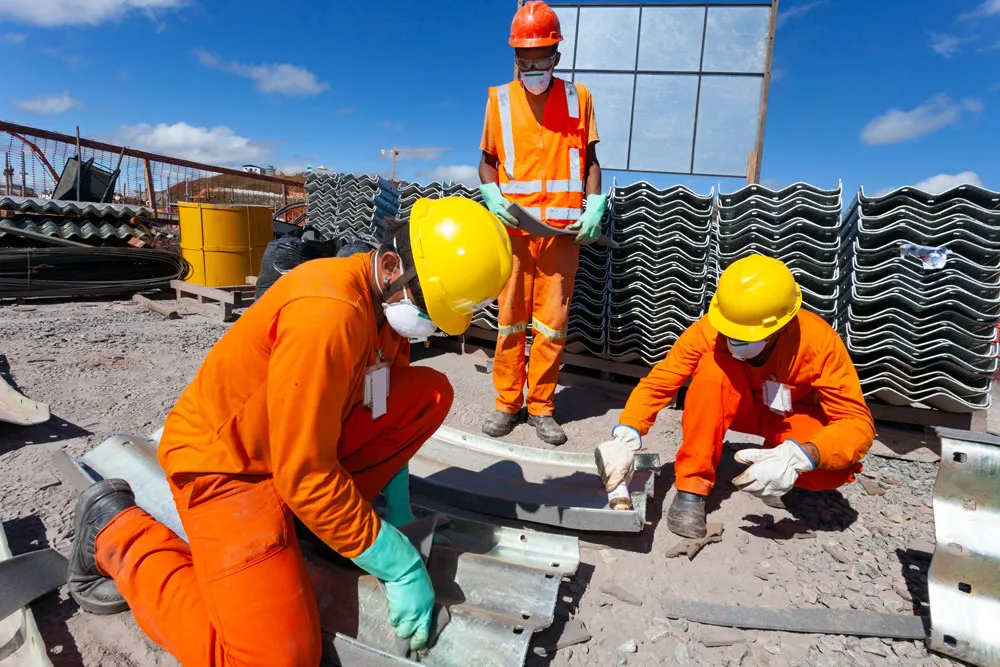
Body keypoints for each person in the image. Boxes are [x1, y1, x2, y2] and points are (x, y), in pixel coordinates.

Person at [66, 198, 514, 666]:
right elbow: (304, 473)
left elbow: (379, 409)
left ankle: (322, 525)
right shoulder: (329, 312)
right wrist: (397, 564)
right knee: (277, 657)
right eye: (426, 306)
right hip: (227, 467)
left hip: (294, 447)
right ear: (388, 264)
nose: (425, 324)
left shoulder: (385, 309)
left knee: (429, 393)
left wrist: (396, 518)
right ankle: (116, 532)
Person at [595, 255, 875, 538]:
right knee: (712, 370)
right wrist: (627, 434)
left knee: (834, 464)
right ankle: (692, 487)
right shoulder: (710, 329)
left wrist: (803, 456)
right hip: (736, 405)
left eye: (745, 335)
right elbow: (661, 381)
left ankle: (786, 475)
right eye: (729, 332)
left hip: (787, 416)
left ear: (781, 326)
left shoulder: (818, 342)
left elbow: (856, 422)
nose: (732, 340)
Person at [478, 0, 606, 445]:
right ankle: (507, 403)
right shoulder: (498, 99)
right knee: (510, 320)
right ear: (515, 58)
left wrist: (594, 204)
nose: (533, 69)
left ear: (556, 55)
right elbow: (487, 164)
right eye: (525, 61)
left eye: (542, 60)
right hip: (514, 233)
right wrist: (491, 194)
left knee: (552, 325)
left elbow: (590, 161)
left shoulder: (579, 98)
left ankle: (542, 407)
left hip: (561, 238)